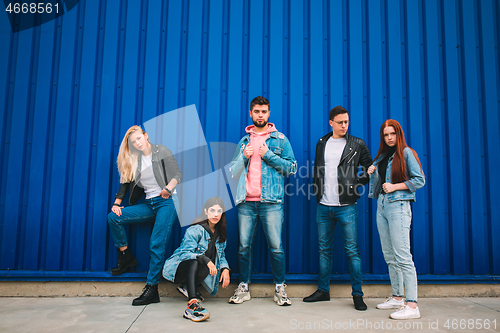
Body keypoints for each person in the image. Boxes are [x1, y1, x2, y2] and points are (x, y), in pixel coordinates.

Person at [228, 96, 297, 306]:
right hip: (246, 203)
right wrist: (243, 157)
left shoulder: (280, 140)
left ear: (269, 113)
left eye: (264, 112)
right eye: (257, 111)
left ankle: (280, 288)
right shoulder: (243, 141)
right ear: (251, 113)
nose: (260, 115)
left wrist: (268, 155)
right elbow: (232, 172)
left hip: (272, 202)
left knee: (276, 247)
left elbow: (292, 168)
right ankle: (244, 287)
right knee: (243, 247)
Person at [304, 106, 372, 311]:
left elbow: (370, 169)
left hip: (347, 206)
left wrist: (356, 183)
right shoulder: (321, 142)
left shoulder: (357, 143)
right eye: (340, 122)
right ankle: (323, 290)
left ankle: (358, 295)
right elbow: (318, 169)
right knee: (324, 251)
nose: (344, 126)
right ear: (331, 122)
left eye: (347, 122)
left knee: (352, 251)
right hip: (324, 206)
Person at [107, 125, 181, 306]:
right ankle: (125, 256)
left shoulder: (161, 150)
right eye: (133, 142)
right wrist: (117, 204)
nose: (137, 143)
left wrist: (167, 189)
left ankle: (152, 289)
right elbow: (125, 182)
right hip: (149, 204)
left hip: (166, 202)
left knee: (156, 243)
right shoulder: (135, 160)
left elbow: (176, 174)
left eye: (139, 138)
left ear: (145, 136)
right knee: (113, 217)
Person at [367, 119, 425, 320]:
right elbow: (380, 181)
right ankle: (397, 297)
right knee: (389, 254)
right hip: (382, 204)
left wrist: (395, 186)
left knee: (403, 256)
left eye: (393, 134)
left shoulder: (407, 153)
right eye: (386, 135)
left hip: (398, 205)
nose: (389, 138)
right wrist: (372, 173)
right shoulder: (383, 155)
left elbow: (420, 180)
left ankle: (412, 305)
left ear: (398, 134)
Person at [163, 197, 230, 322]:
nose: (216, 214)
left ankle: (187, 286)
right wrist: (206, 260)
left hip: (196, 270)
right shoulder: (195, 230)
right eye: (212, 210)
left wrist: (225, 268)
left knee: (211, 263)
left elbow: (221, 256)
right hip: (178, 269)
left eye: (219, 211)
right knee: (197, 260)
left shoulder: (220, 234)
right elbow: (185, 253)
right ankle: (192, 305)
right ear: (206, 211)